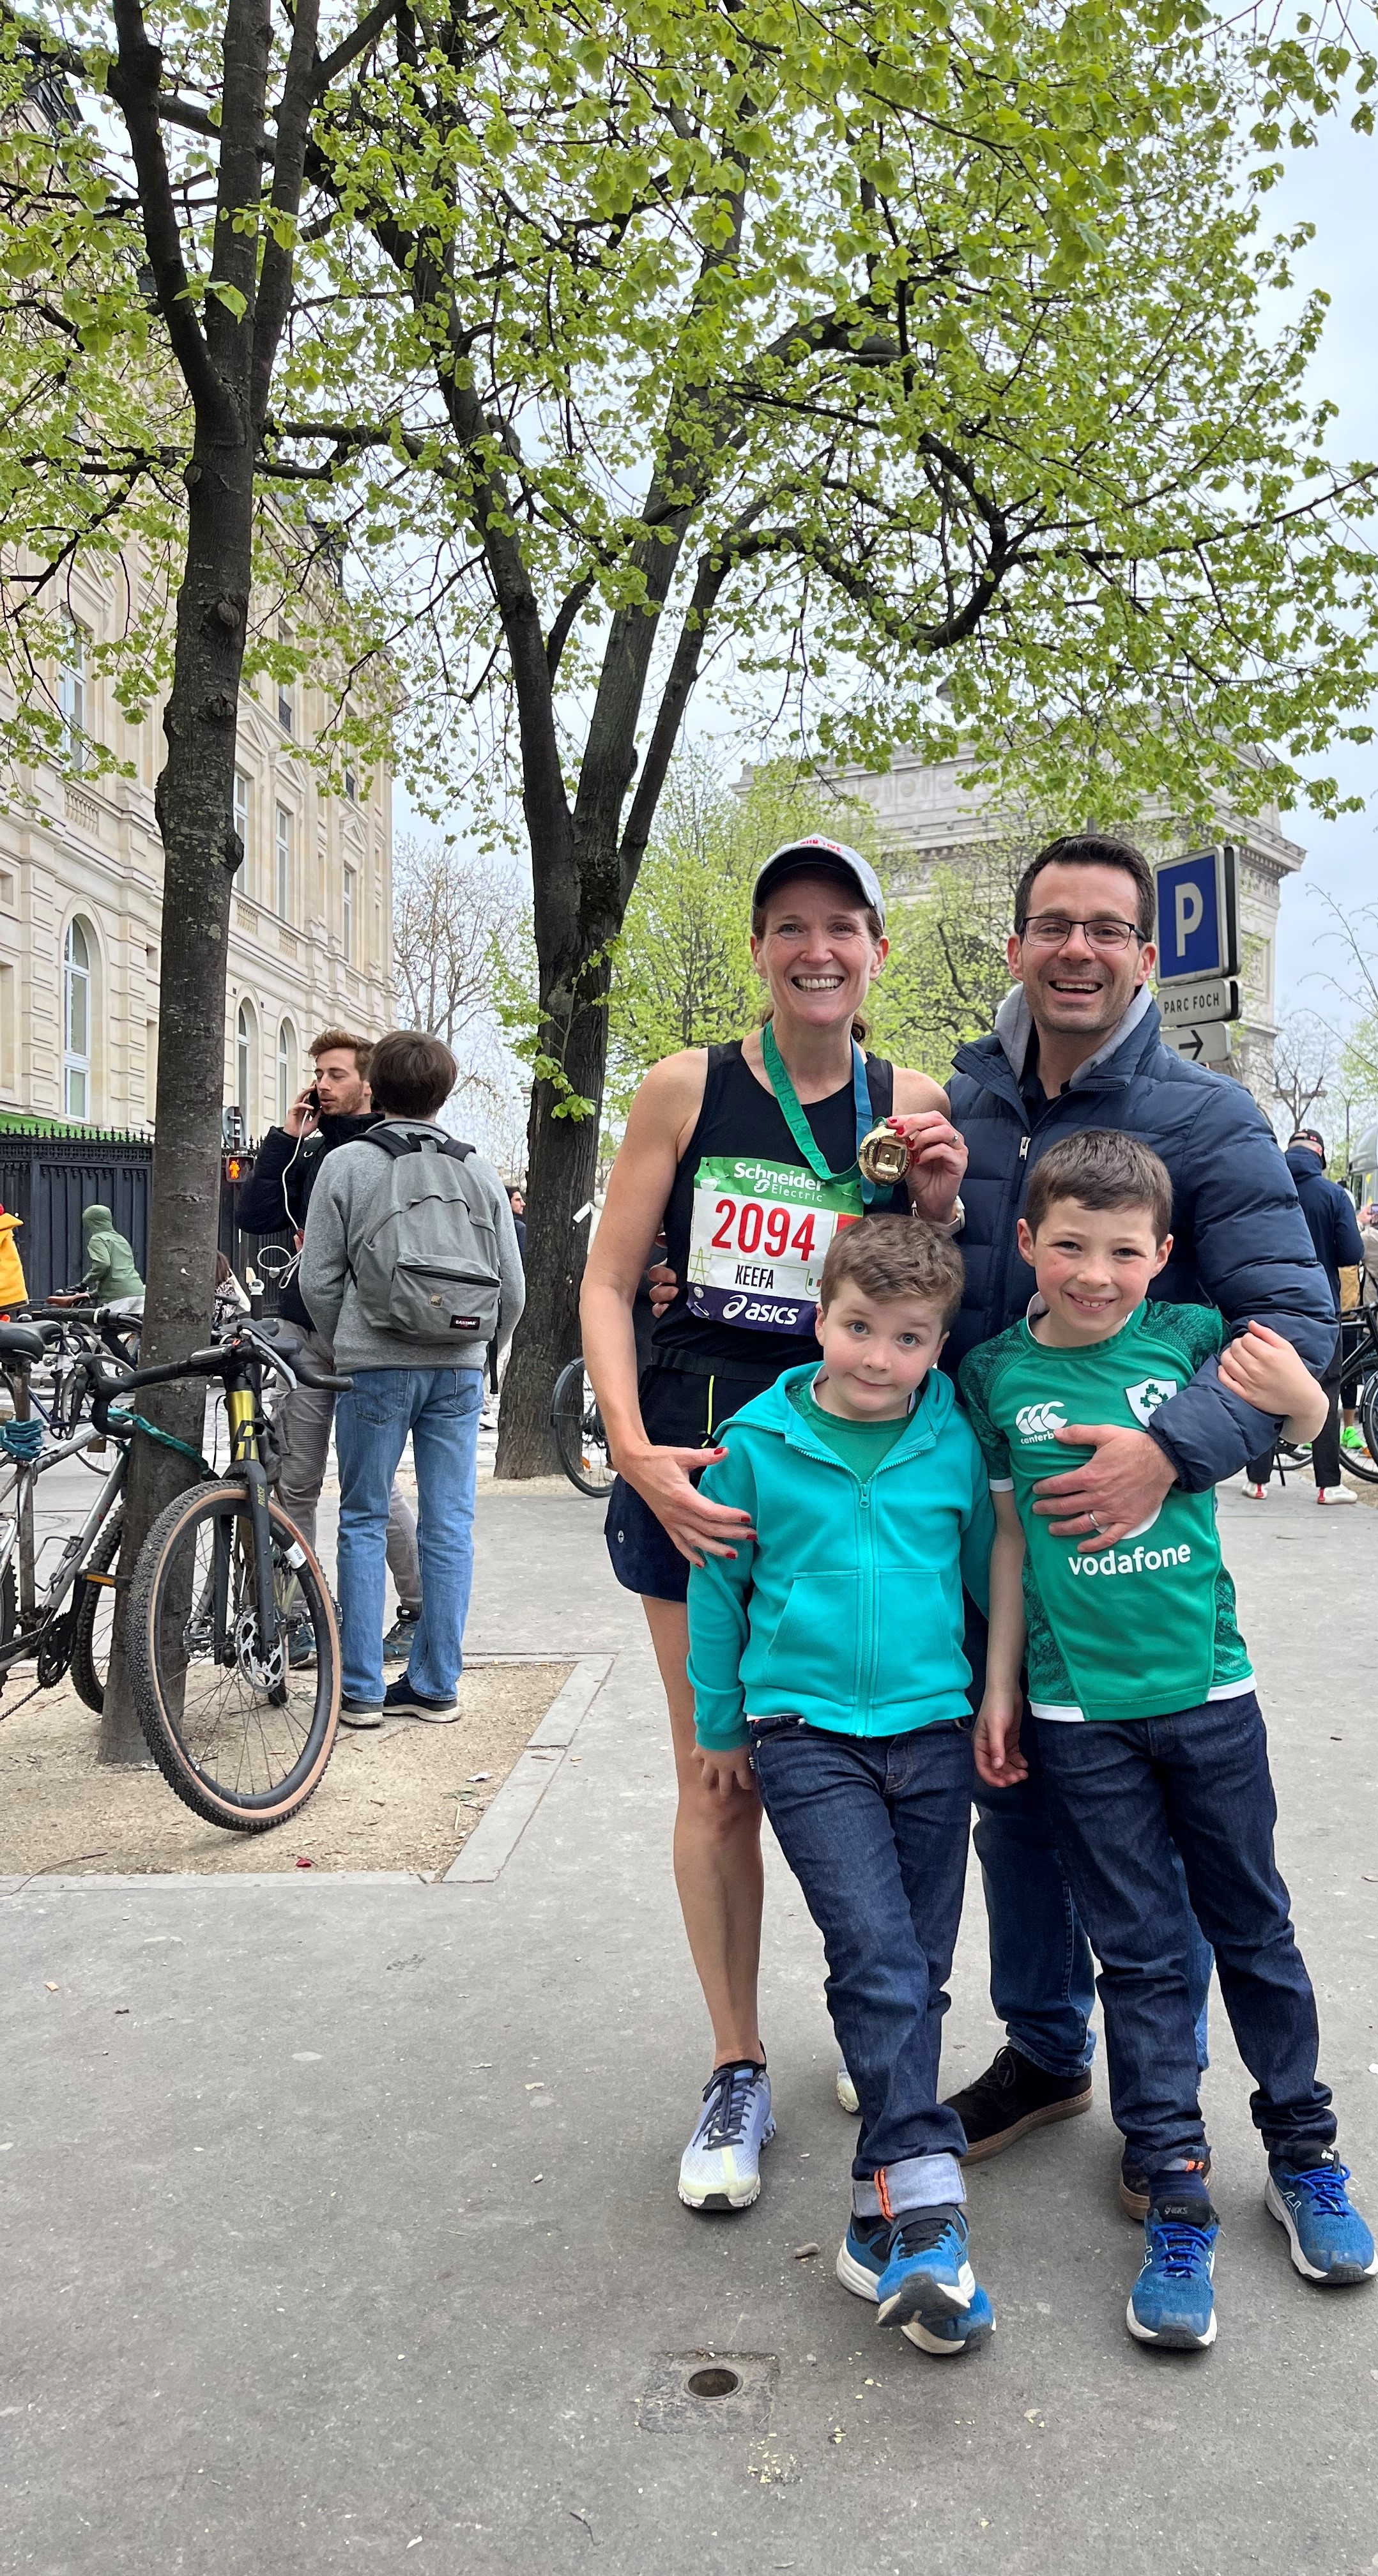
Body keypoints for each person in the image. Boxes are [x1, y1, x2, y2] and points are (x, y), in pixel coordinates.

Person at [887, 831, 1335, 2168]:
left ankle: (1174, 2111)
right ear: (1016, 947)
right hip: (975, 1534)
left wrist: (1173, 1448)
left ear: (1146, 952)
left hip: (1135, 1569)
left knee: (1169, 1854)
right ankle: (1043, 2051)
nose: (1077, 949)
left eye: (1106, 928)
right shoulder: (958, 1110)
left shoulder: (1206, 1117)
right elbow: (916, 1300)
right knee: (1010, 1794)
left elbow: (1292, 1317)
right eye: (1052, 925)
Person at [578, 836, 968, 2212]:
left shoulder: (909, 1099)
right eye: (790, 925)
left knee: (887, 1760)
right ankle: (737, 2062)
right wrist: (633, 1452)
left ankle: (875, 2014)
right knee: (720, 1776)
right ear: (758, 949)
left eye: (843, 927)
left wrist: (940, 1202)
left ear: (876, 953)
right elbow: (609, 1282)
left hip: (858, 1478)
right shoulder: (686, 1086)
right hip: (703, 1475)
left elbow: (938, 1292)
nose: (817, 949)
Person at [965, 1130, 1375, 2352]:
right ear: (1026, 1243)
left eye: (1124, 1251)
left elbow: (1304, 1419)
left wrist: (1298, 1391)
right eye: (1071, 1247)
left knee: (1251, 1925)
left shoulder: (1191, 1343)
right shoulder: (992, 1374)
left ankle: (1303, 2156)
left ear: (1163, 1255)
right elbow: (1004, 1544)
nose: (1096, 1273)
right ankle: (1174, 2191)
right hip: (1076, 1713)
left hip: (1208, 1695)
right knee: (1140, 1955)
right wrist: (998, 1689)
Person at [685, 1218, 996, 2352]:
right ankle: (924, 2209)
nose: (874, 1356)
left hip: (931, 1728)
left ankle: (878, 2218)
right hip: (803, 1733)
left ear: (936, 1344)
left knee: (915, 1961)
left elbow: (980, 1577)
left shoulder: (949, 1443)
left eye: (906, 1338)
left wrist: (996, 1697)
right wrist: (721, 1722)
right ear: (819, 1316)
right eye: (856, 1327)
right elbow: (718, 1587)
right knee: (870, 1948)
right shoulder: (757, 1443)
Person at [299, 1030, 523, 1727]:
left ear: (375, 1089)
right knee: (450, 1522)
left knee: (364, 1517)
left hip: (377, 1364)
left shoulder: (349, 1164)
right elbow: (511, 1287)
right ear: (444, 1092)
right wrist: (485, 1351)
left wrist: (351, 1339)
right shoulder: (480, 1172)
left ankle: (361, 1691)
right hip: (457, 1365)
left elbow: (318, 1277)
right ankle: (435, 1684)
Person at [235, 1028, 424, 1666]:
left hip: (367, 1340)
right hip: (306, 1338)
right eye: (319, 1073)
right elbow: (256, 1215)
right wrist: (287, 1137)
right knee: (297, 1483)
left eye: (336, 1074)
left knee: (373, 1488)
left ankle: (420, 1608)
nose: (322, 1084)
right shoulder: (313, 1154)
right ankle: (302, 1619)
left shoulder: (384, 1151)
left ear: (370, 1084)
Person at [1245, 1128, 1363, 1505]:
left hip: (1267, 1303)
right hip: (1320, 1306)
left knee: (1265, 1384)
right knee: (1325, 1388)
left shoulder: (1262, 1191)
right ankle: (1328, 1484)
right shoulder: (1332, 1195)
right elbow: (1350, 1252)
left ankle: (1256, 1480)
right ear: (1320, 1157)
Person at [79, 1203, 142, 1301]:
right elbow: (120, 1271)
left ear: (91, 1222)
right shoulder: (121, 1239)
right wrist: (92, 1294)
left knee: (102, 1317)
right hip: (138, 1293)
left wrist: (84, 1284)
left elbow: (103, 1264)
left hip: (119, 1298)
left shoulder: (97, 1239)